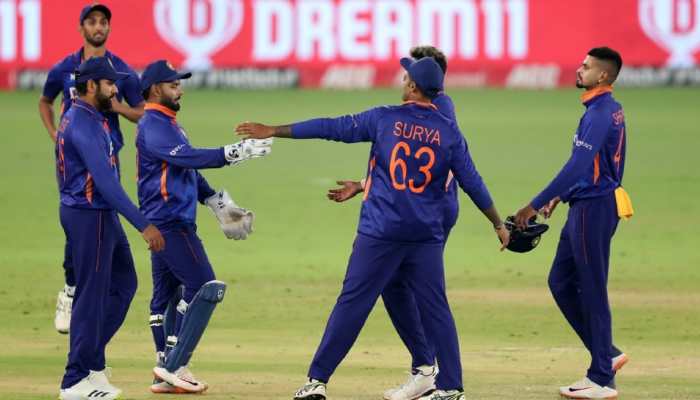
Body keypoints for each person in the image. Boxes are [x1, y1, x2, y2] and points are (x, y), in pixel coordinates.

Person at [236, 56, 510, 400]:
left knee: (352, 303)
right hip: (425, 235)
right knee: (436, 307)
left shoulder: (384, 118)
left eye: (406, 76)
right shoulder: (448, 131)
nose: (402, 80)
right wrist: (498, 223)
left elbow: (331, 127)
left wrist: (275, 130)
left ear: (412, 86)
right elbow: (472, 182)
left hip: (381, 231)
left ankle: (317, 381)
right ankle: (451, 387)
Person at [326, 45, 460, 400]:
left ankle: (429, 371)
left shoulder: (439, 109)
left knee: (417, 290)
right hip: (423, 207)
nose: (405, 77)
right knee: (401, 286)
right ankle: (427, 368)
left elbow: (434, 169)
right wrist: (365, 184)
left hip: (430, 211)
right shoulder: (433, 107)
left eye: (412, 71)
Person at [135, 60, 272, 393]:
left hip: (169, 220)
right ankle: (175, 365)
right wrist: (234, 152)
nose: (180, 89)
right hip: (170, 222)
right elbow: (189, 158)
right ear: (156, 89)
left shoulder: (167, 123)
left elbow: (186, 170)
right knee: (205, 287)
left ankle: (164, 374)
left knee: (170, 297)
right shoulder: (154, 124)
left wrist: (215, 201)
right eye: (173, 85)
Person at [514, 46, 632, 400]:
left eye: (587, 67)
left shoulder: (600, 114)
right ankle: (607, 354)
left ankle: (602, 379)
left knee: (592, 287)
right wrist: (558, 196)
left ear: (605, 76)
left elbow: (580, 166)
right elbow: (589, 167)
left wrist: (532, 205)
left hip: (594, 208)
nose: (579, 70)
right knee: (561, 281)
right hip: (585, 203)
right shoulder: (604, 109)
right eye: (581, 64)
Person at [55, 56, 164, 400]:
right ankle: (74, 380)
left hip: (93, 213)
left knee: (125, 284)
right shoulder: (84, 124)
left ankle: (91, 364)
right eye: (109, 83)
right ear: (91, 86)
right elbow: (105, 182)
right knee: (91, 296)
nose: (116, 89)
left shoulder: (89, 115)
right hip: (91, 215)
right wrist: (144, 225)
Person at [39, 3, 145, 334]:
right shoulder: (64, 67)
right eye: (92, 22)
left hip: (107, 150)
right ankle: (73, 291)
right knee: (81, 215)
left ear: (109, 28)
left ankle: (84, 296)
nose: (98, 27)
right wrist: (55, 134)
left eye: (103, 22)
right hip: (73, 155)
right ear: (81, 27)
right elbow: (45, 101)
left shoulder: (121, 70)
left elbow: (142, 111)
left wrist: (118, 107)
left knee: (99, 216)